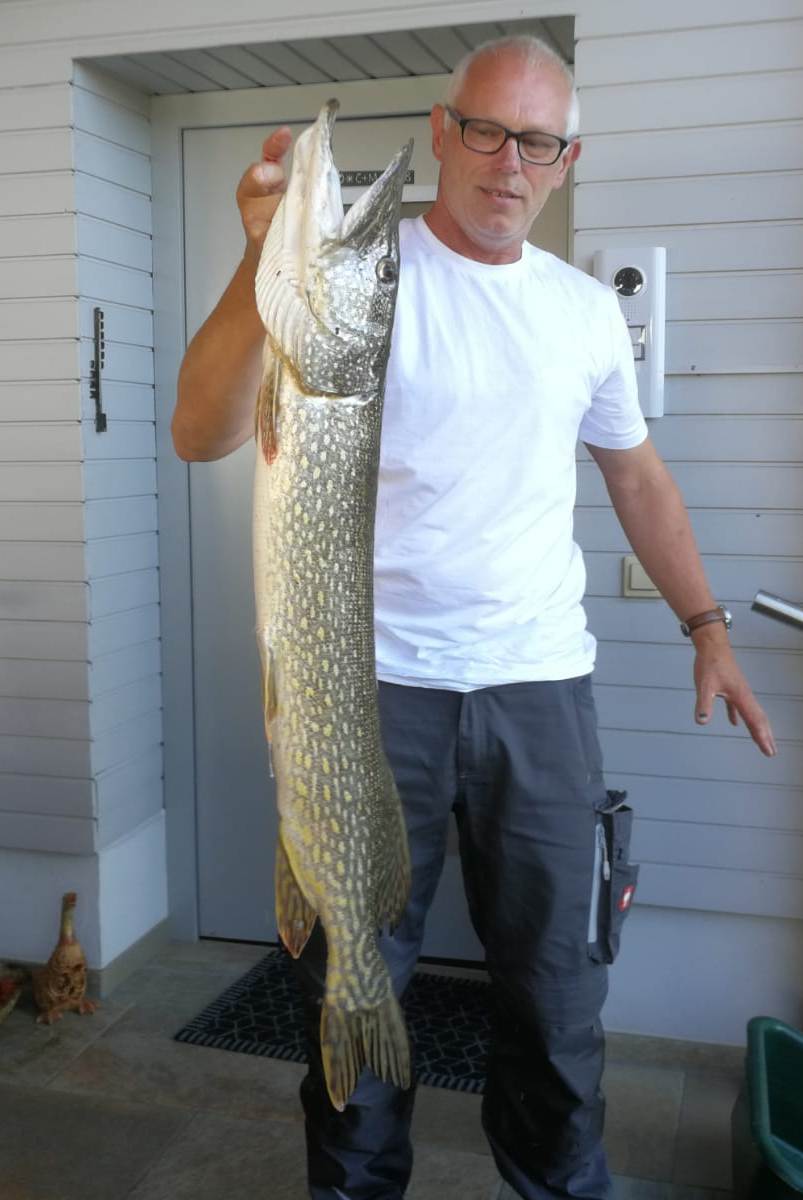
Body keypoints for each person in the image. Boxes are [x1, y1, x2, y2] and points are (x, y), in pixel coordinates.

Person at [173, 34, 776, 1200]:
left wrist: (705, 625)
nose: (507, 163)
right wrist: (258, 260)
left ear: (564, 160)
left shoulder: (580, 313)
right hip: (367, 692)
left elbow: (636, 477)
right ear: (442, 133)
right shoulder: (357, 274)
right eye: (486, 131)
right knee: (350, 978)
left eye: (535, 142)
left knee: (557, 999)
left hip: (537, 690)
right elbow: (203, 430)